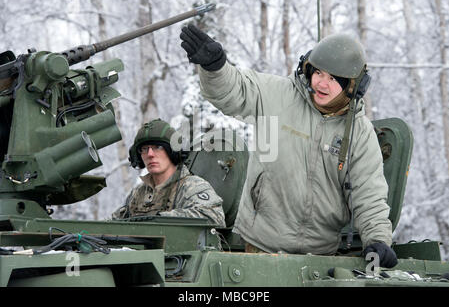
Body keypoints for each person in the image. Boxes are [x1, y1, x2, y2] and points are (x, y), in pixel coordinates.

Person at [180, 24, 398, 268]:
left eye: (334, 79)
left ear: (353, 85)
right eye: (319, 73)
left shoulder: (359, 133)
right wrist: (215, 67)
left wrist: (377, 240)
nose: (322, 84)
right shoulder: (278, 95)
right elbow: (235, 89)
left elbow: (369, 193)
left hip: (320, 259)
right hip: (259, 247)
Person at [112, 118, 226, 227]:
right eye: (144, 149)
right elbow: (114, 224)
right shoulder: (139, 193)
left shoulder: (191, 186)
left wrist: (157, 220)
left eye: (158, 147)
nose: (150, 154)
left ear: (173, 152)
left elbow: (214, 218)